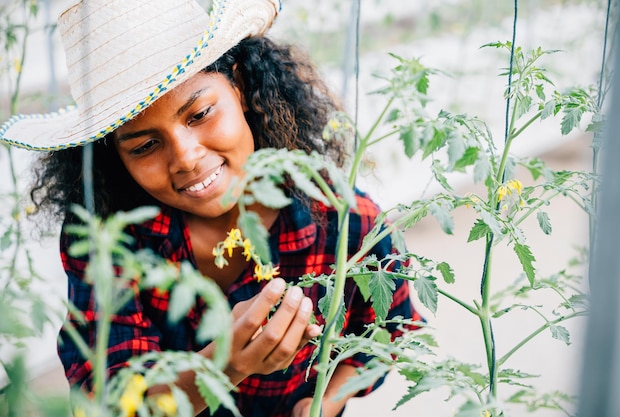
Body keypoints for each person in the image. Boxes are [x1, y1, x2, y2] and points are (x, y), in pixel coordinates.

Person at [0, 0, 422, 416]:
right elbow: (108, 397)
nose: (185, 157)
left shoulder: (344, 220)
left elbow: (392, 330)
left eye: (199, 113)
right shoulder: (109, 240)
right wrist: (223, 366)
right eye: (145, 145)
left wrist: (323, 404)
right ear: (114, 157)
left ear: (237, 85)